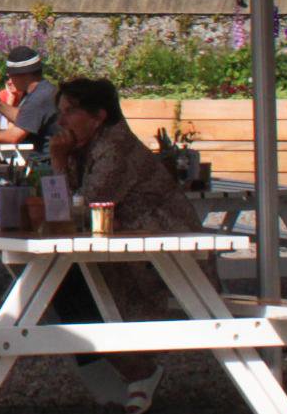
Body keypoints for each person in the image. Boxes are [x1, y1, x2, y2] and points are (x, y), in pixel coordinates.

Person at [46, 78, 204, 414]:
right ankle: (128, 375)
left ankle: (137, 371)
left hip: (164, 255)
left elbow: (87, 205)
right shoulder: (86, 147)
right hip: (123, 247)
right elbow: (67, 208)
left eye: (69, 112)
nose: (61, 121)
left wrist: (58, 162)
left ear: (98, 115)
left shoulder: (115, 148)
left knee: (66, 280)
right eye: (60, 113)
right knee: (56, 280)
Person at [0, 45, 58, 150]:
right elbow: (25, 118)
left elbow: (13, 137)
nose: (9, 80)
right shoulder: (40, 90)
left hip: (42, 164)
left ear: (22, 75)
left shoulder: (39, 97)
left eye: (10, 75)